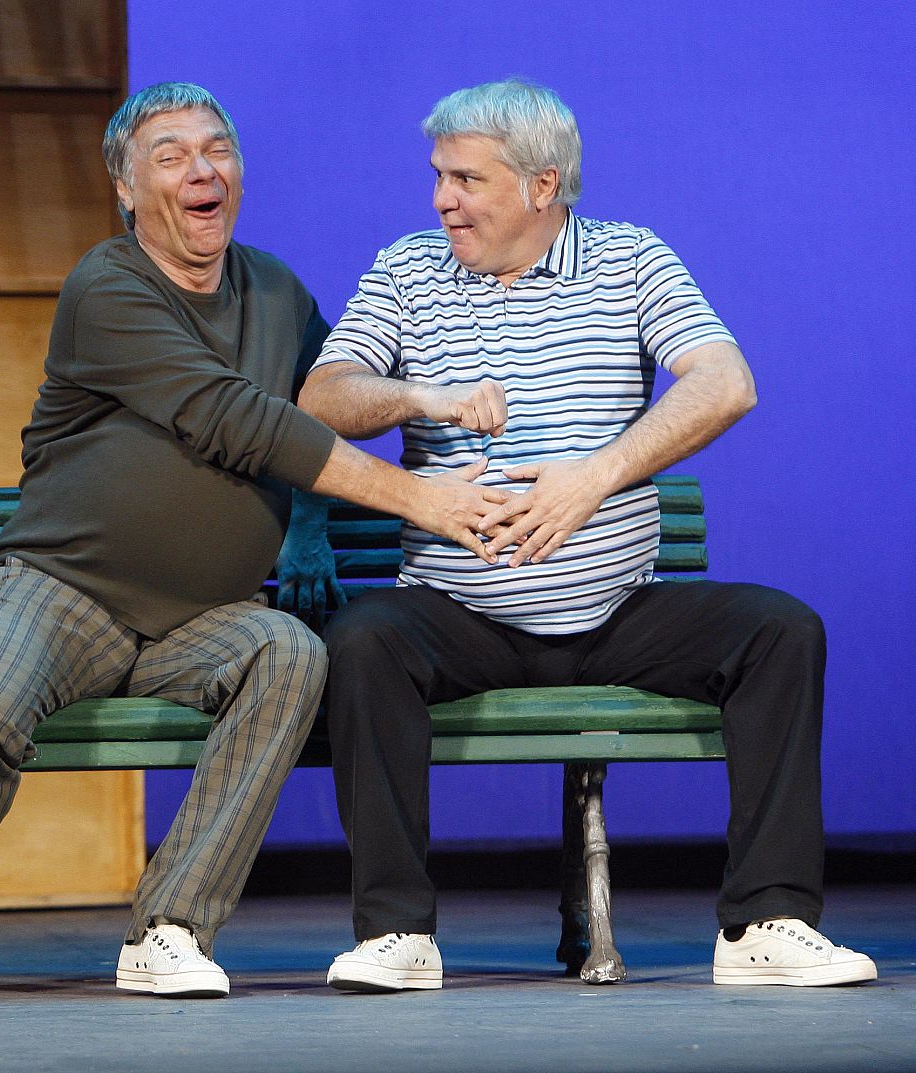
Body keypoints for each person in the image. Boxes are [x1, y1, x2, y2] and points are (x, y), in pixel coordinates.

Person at [0, 82, 510, 999]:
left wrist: (316, 524)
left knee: (288, 652)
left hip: (208, 617)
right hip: (65, 591)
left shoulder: (277, 291)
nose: (202, 170)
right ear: (127, 190)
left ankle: (170, 925)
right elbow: (235, 418)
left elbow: (325, 400)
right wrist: (420, 499)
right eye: (171, 156)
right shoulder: (107, 283)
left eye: (218, 150)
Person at [300, 78, 876, 992]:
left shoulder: (630, 260)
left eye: (466, 179)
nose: (442, 198)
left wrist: (593, 478)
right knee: (363, 641)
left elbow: (725, 381)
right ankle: (396, 932)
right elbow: (322, 398)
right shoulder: (409, 269)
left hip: (615, 612)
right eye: (438, 176)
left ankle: (767, 919)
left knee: (782, 632)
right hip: (459, 614)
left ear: (542, 185)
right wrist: (419, 395)